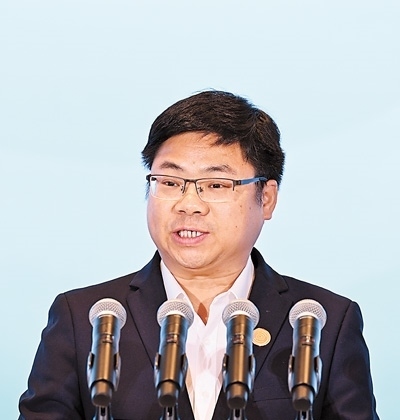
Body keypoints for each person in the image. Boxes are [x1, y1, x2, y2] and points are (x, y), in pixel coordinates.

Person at [19, 90, 379, 419]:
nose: (188, 204)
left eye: (216, 184)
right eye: (169, 182)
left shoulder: (324, 322)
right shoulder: (87, 318)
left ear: (266, 198)